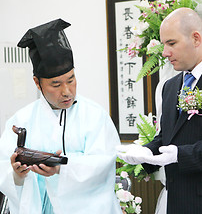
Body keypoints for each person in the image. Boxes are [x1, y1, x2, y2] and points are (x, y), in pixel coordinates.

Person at [117, 8, 202, 214]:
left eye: (171, 43)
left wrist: (180, 155)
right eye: (164, 44)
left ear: (196, 38)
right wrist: (147, 151)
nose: (165, 52)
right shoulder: (170, 86)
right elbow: (168, 136)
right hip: (179, 203)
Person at [0, 19, 122, 214]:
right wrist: (17, 174)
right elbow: (3, 169)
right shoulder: (21, 120)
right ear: (37, 83)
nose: (67, 91)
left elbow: (104, 163)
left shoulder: (94, 115)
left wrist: (62, 169)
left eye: (71, 80)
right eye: (56, 85)